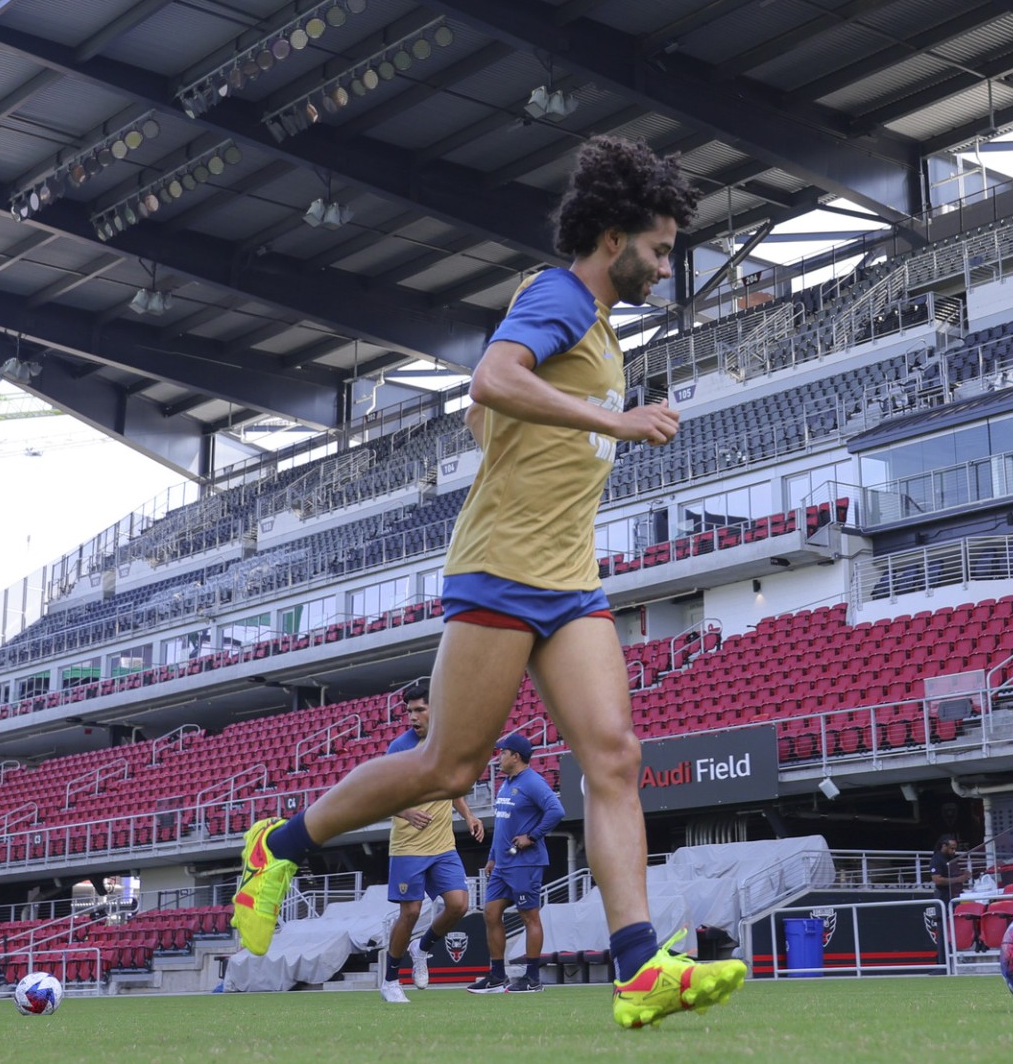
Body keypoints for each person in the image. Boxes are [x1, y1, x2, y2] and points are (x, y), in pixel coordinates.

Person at [229, 136, 746, 1029]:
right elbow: (492, 378)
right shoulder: (559, 295)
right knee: (451, 764)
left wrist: (532, 433)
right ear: (614, 238)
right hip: (502, 570)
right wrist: (614, 422)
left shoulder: (596, 327)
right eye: (660, 249)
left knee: (615, 757)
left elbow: (485, 412)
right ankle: (278, 845)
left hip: (571, 579)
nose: (667, 267)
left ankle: (639, 969)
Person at [378, 681, 482, 1004]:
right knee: (410, 913)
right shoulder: (399, 748)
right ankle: (390, 980)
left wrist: (468, 815)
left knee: (459, 904)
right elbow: (381, 796)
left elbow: (451, 788)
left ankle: (421, 949)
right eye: (409, 711)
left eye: (419, 710)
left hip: (443, 845)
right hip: (408, 847)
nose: (413, 717)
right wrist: (406, 812)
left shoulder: (446, 745)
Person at [469, 732, 564, 994]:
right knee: (490, 913)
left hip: (525, 863)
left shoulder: (532, 782)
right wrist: (492, 857)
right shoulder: (505, 784)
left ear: (516, 757)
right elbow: (502, 825)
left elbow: (557, 810)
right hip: (502, 864)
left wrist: (531, 836)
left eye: (503, 753)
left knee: (529, 916)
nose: (498, 757)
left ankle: (532, 978)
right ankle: (497, 976)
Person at [930, 836, 968, 902]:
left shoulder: (950, 858)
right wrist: (958, 879)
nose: (954, 851)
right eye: (952, 848)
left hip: (955, 894)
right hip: (944, 895)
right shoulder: (936, 859)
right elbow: (937, 880)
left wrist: (963, 874)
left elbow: (952, 873)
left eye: (955, 849)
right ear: (944, 846)